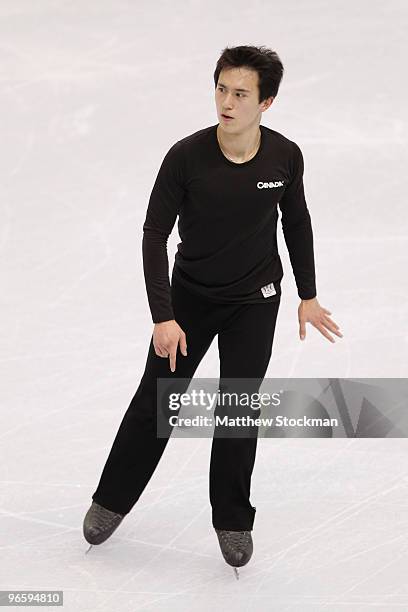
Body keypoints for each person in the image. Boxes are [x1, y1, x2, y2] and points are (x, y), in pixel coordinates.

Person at [83, 44, 343, 572]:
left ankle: (232, 519)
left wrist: (307, 294)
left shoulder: (284, 156)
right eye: (221, 89)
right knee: (157, 404)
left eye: (240, 93)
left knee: (238, 410)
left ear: (266, 102)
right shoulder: (186, 156)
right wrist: (163, 315)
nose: (226, 101)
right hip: (190, 302)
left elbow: (296, 221)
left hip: (254, 303)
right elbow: (155, 234)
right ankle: (110, 500)